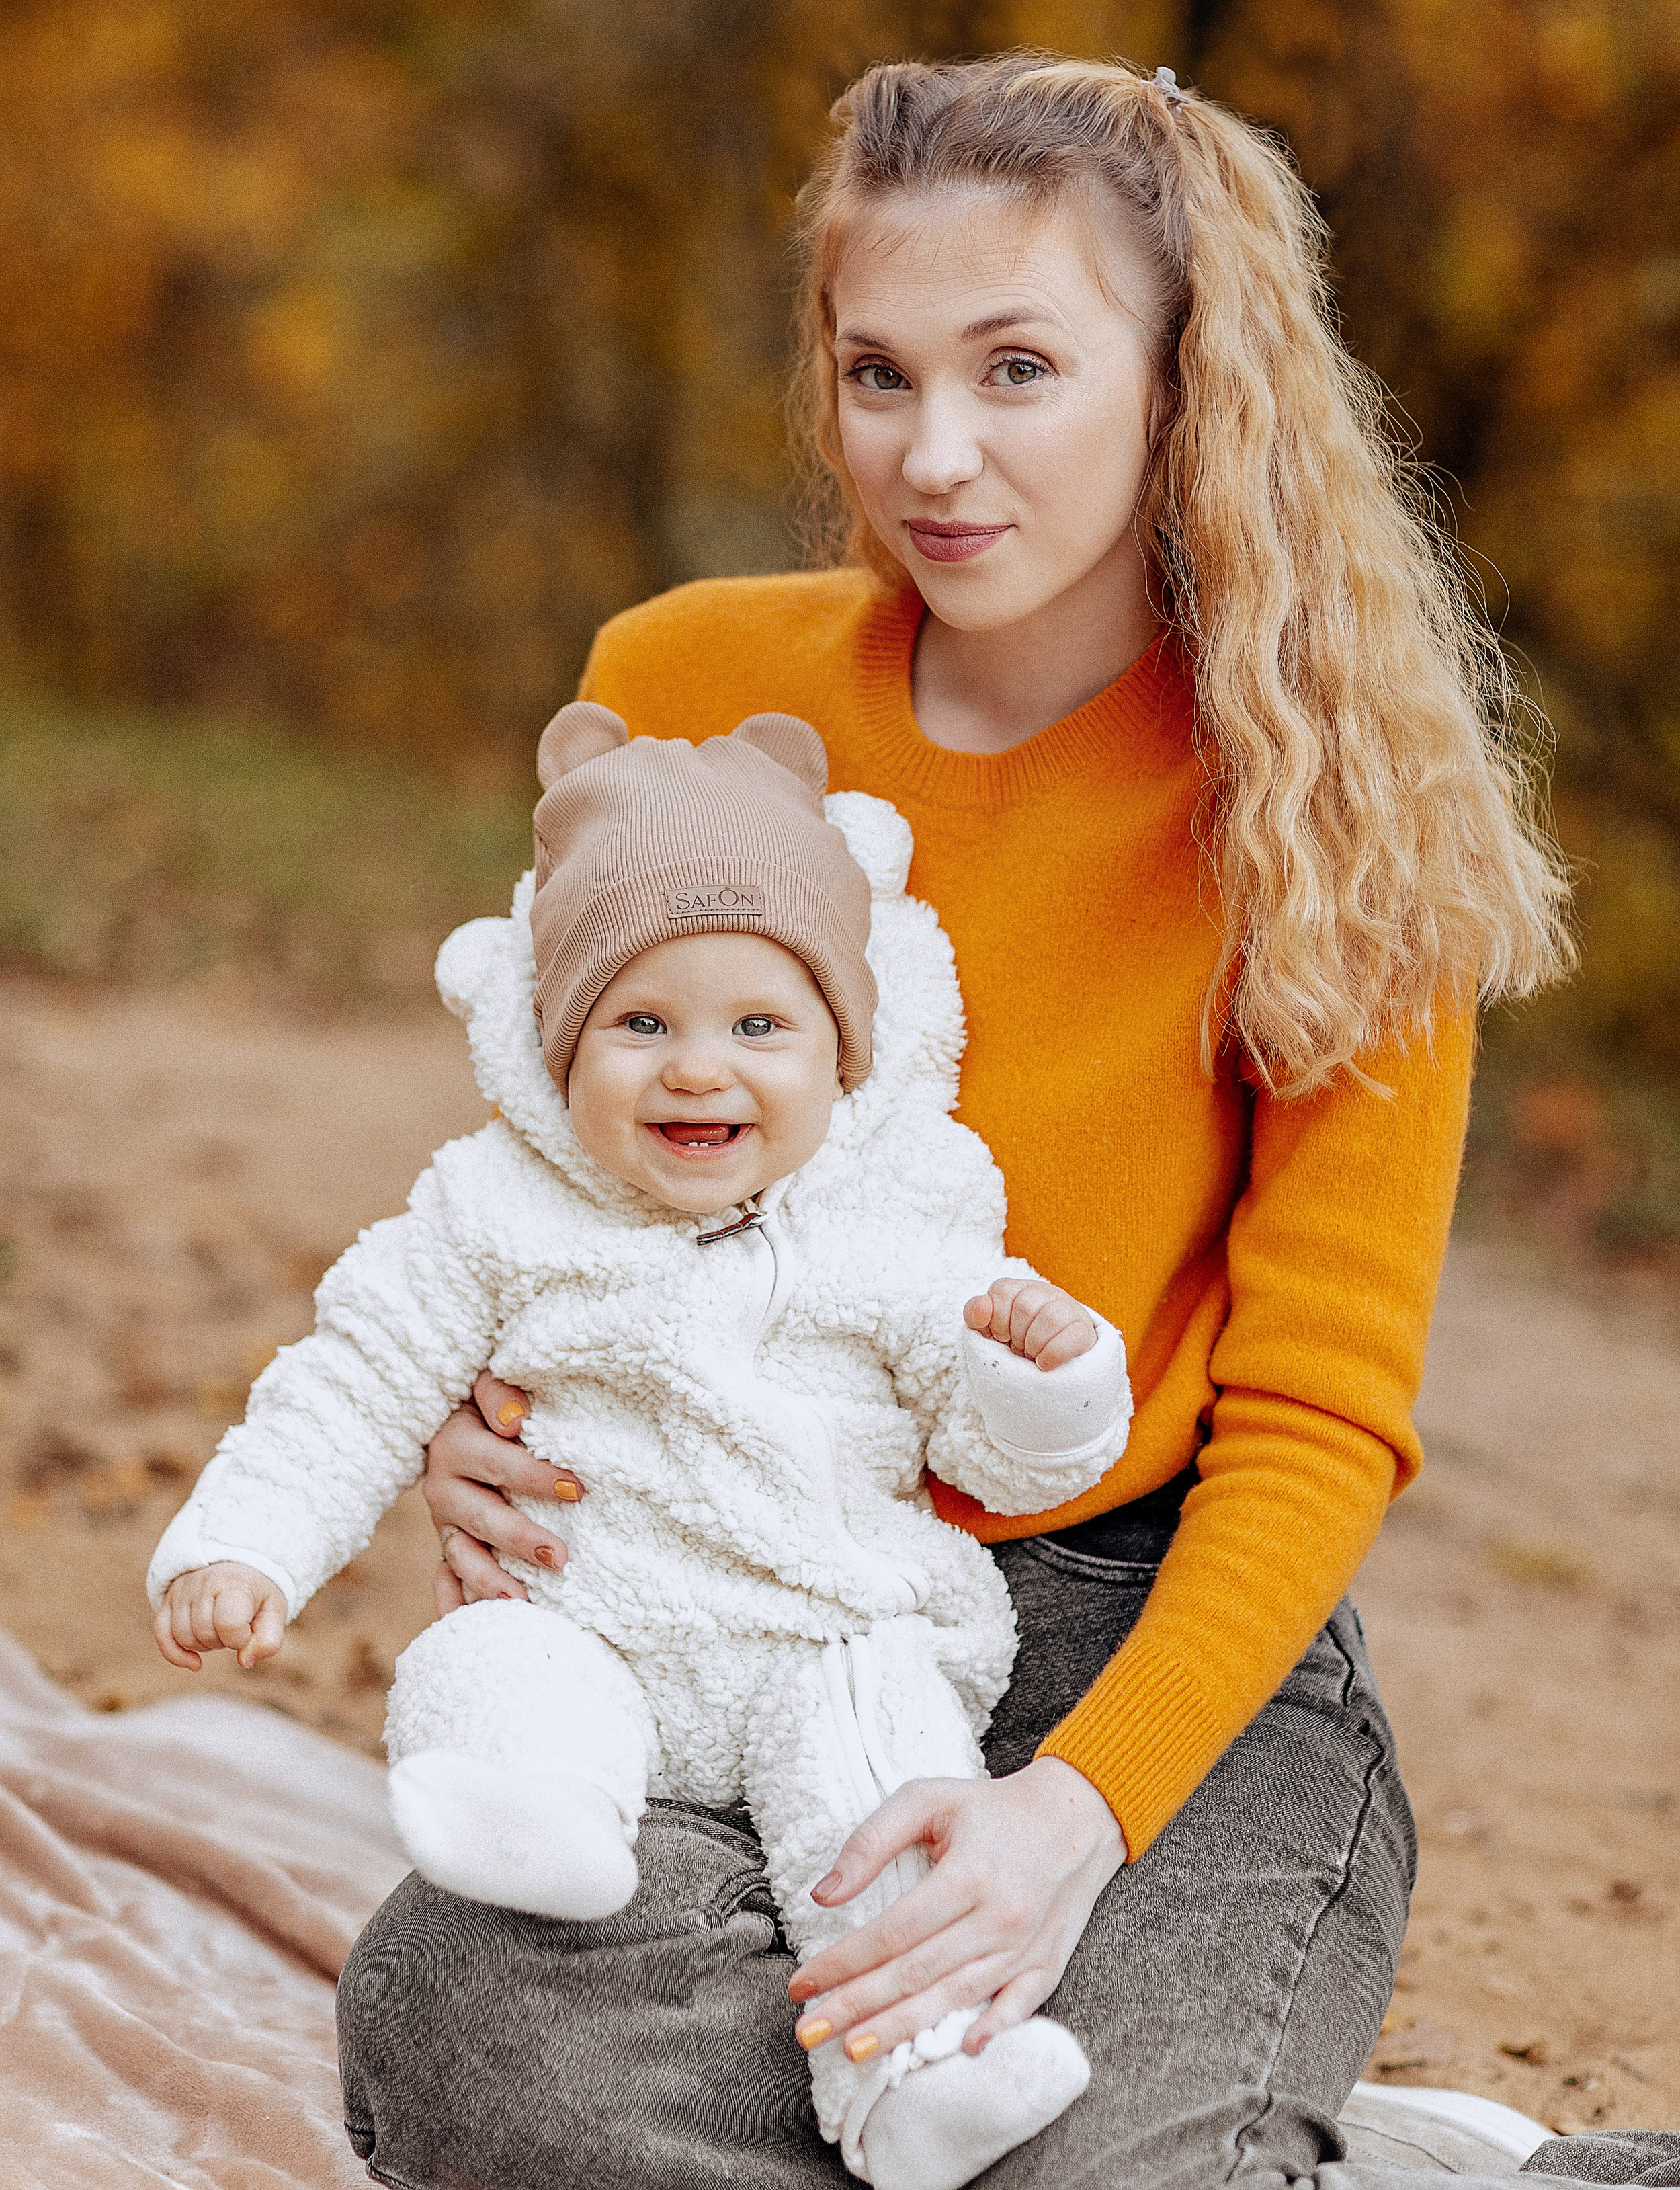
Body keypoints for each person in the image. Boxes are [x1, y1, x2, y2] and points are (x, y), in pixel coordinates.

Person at [335, 54, 1680, 2190]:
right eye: (877, 373)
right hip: (752, 1604)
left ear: (1186, 382)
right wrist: (483, 1423)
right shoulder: (685, 685)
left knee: (1105, 2168)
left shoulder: (1342, 812)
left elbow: (1318, 1422)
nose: (935, 454)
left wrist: (1070, 1824)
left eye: (1020, 368)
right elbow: (579, 1180)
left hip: (1155, 1654)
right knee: (464, 2027)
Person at [149, 703, 1133, 2190]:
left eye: (759, 1027)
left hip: (825, 1636)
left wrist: (1046, 1383)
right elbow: (355, 1375)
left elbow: (996, 1449)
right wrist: (246, 1542)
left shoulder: (900, 1223)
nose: (696, 1070)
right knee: (491, 1663)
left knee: (882, 1789)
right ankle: (535, 1825)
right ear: (559, 1047)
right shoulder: (496, 1210)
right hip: (590, 1622)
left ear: (843, 1051)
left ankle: (918, 2076)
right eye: (641, 1024)